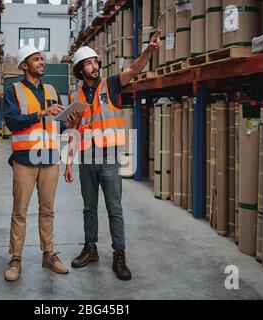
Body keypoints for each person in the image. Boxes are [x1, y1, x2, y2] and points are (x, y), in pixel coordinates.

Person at [64, 31, 163, 280]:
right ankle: (90, 248)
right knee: (89, 207)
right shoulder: (75, 97)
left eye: (96, 61)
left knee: (114, 208)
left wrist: (149, 51)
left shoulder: (112, 84)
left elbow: (133, 69)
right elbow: (74, 132)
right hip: (86, 158)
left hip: (109, 155)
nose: (95, 66)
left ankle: (119, 254)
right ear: (79, 69)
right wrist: (68, 162)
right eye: (89, 63)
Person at [3, 45, 68, 281]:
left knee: (47, 211)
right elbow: (12, 122)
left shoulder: (52, 89)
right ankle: (15, 258)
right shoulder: (14, 91)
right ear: (24, 65)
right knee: (20, 212)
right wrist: (41, 113)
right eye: (36, 59)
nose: (41, 62)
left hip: (50, 159)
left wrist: (68, 120)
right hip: (25, 160)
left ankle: (48, 255)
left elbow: (56, 125)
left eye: (42, 59)